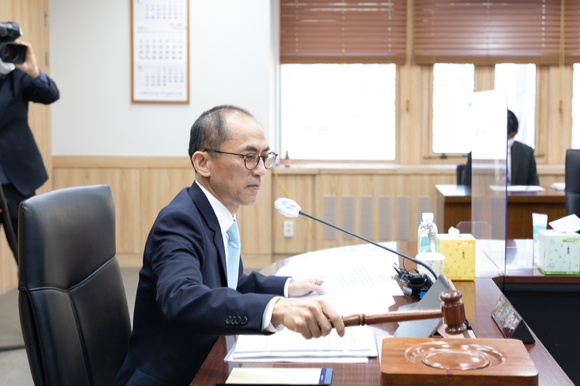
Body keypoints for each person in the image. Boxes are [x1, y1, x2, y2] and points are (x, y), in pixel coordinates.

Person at [113, 105, 345, 386]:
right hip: (174, 377)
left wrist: (286, 288)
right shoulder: (179, 220)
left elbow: (229, 285)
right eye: (249, 157)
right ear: (203, 163)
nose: (261, 170)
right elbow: (181, 298)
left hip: (208, 362)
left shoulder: (217, 214)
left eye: (263, 157)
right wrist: (276, 308)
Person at [0, 39, 59, 240]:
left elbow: (51, 94)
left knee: (28, 251)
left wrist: (34, 71)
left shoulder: (18, 76)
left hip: (16, 180)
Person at [461, 110, 539, 186]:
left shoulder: (526, 152)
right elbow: (467, 186)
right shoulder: (477, 153)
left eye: (510, 140)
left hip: (518, 198)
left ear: (514, 134)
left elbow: (534, 185)